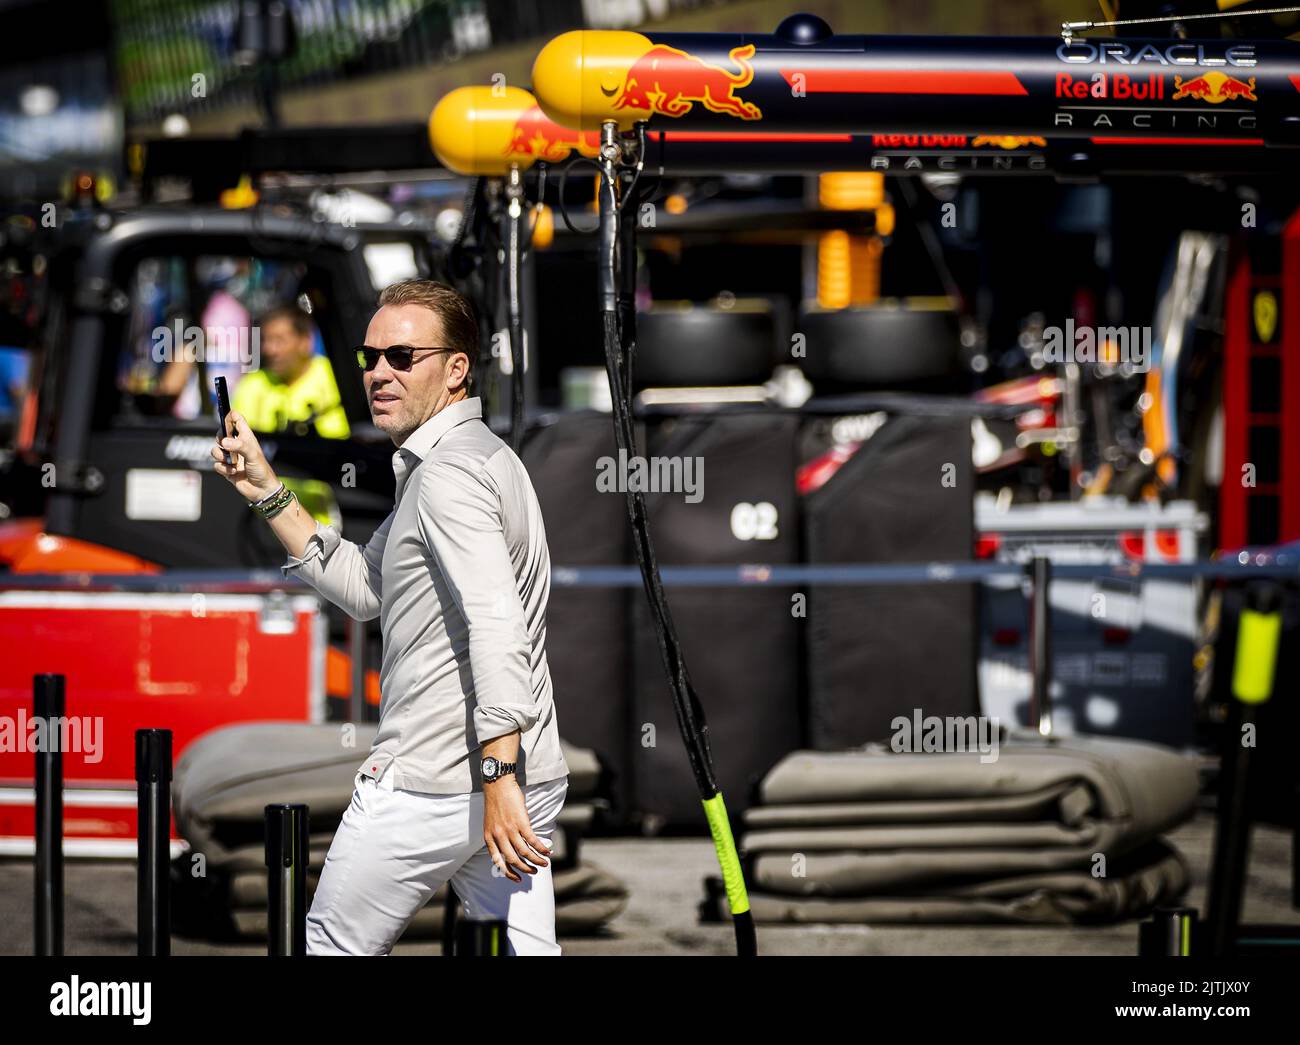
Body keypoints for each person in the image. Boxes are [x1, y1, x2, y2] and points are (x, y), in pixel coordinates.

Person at [211, 278, 569, 955]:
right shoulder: (474, 458)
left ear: (456, 368)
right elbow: (365, 586)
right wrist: (265, 488)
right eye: (369, 357)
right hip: (510, 774)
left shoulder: (446, 476)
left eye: (403, 357)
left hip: (438, 783)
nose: (379, 373)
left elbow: (496, 621)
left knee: (333, 948)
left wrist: (496, 777)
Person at [232, 304, 350, 438]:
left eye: (279, 340)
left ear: (306, 341)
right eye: (265, 340)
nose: (269, 350)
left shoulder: (336, 377)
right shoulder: (250, 385)